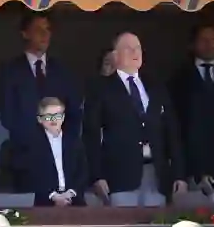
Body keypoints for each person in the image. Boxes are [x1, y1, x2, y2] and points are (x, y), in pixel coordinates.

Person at [83, 32, 187, 207]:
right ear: (115, 55)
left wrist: (179, 174)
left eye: (138, 48)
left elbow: (172, 132)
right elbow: (91, 135)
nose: (135, 52)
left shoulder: (156, 86)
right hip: (119, 177)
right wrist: (96, 176)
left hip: (156, 176)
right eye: (128, 48)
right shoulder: (100, 89)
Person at [0, 12, 82, 192]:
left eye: (48, 30)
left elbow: (74, 114)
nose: (45, 35)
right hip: (25, 161)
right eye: (38, 30)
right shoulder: (10, 71)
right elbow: (8, 115)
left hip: (61, 160)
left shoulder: (62, 71)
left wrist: (65, 146)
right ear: (25, 33)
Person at [168, 23, 214, 201]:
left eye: (213, 40)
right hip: (192, 171)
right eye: (204, 40)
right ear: (192, 44)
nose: (210, 44)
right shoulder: (179, 80)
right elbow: (175, 128)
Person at [19, 97, 87, 206]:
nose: (53, 119)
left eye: (57, 115)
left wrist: (70, 193)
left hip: (74, 199)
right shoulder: (33, 144)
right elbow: (33, 174)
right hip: (45, 200)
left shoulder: (74, 141)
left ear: (63, 117)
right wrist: (54, 196)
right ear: (39, 119)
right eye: (48, 116)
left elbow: (82, 171)